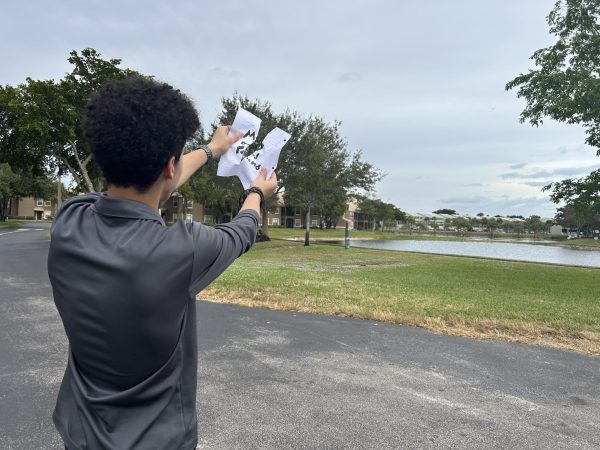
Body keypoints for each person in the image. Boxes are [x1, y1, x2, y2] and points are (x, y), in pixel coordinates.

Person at [47, 77, 277, 450]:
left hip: (80, 431)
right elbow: (242, 231)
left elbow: (162, 180)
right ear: (169, 166)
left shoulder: (69, 220)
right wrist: (256, 193)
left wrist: (211, 149)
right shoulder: (182, 249)